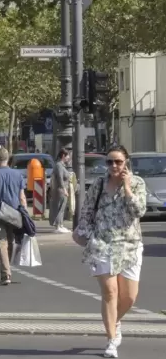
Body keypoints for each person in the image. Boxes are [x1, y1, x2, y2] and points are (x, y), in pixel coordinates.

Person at [73, 145, 146, 359]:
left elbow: (139, 210)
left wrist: (127, 187)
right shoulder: (98, 184)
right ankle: (111, 340)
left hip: (130, 244)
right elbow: (87, 210)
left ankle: (114, 321)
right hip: (102, 242)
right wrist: (81, 231)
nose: (113, 166)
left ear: (126, 163)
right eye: (109, 162)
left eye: (118, 162)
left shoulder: (138, 183)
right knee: (110, 293)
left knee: (130, 297)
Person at [0, 147, 26, 285]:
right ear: (8, 159)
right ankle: (7, 270)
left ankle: (6, 274)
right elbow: (22, 197)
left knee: (2, 243)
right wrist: (25, 214)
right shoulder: (18, 175)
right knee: (10, 241)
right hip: (14, 214)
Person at [50, 148, 72, 233]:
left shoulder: (62, 165)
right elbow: (60, 178)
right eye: (67, 156)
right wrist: (64, 189)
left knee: (62, 207)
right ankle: (58, 225)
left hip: (62, 189)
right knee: (60, 207)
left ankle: (61, 224)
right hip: (61, 190)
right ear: (63, 156)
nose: (69, 157)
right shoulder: (59, 165)